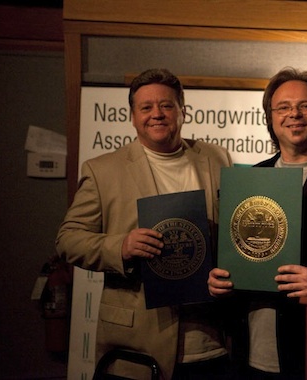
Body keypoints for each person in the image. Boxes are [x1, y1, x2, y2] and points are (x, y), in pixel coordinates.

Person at [56, 68, 233, 379]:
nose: (157, 114)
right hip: (137, 347)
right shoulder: (103, 170)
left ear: (183, 111)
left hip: (210, 340)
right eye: (146, 107)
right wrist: (120, 246)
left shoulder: (217, 158)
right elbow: (68, 240)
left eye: (166, 105)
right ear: (133, 116)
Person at [208, 68, 307, 379]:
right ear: (271, 119)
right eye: (283, 107)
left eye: (306, 105)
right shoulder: (249, 181)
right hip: (251, 348)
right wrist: (219, 280)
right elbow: (234, 256)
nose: (295, 114)